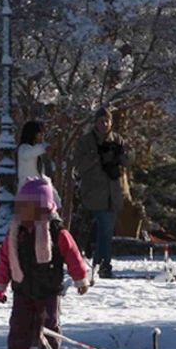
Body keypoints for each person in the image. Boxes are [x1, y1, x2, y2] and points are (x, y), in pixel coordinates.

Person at [0, 177, 89, 349]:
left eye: (29, 206)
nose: (24, 211)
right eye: (21, 206)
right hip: (22, 289)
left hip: (48, 290)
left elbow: (72, 254)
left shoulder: (56, 232)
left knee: (49, 325)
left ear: (43, 207)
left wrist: (80, 278)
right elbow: (5, 260)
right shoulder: (15, 233)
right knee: (19, 324)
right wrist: (0, 285)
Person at [72, 107, 131, 279]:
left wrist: (122, 155)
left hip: (113, 192)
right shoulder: (86, 142)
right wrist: (97, 156)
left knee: (106, 230)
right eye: (101, 121)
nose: (104, 124)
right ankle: (103, 264)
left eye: (107, 121)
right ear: (95, 123)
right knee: (103, 228)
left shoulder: (117, 139)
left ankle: (99, 263)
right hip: (94, 192)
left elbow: (128, 161)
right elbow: (79, 165)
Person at [17, 120, 61, 207]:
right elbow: (27, 154)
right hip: (28, 193)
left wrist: (55, 198)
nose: (42, 137)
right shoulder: (24, 149)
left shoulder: (37, 152)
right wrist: (44, 147)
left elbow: (40, 175)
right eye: (40, 134)